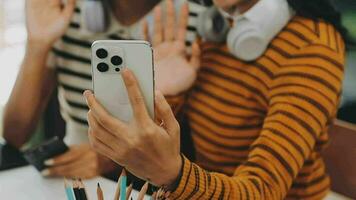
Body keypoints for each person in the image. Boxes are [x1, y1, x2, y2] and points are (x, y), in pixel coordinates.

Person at [85, 0, 347, 199]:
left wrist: (173, 174)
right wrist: (167, 92)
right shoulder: (222, 28)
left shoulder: (313, 50)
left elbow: (262, 190)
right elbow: (172, 142)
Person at [2, 0, 199, 179]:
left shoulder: (197, 23)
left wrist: (107, 159)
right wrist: (37, 44)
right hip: (74, 174)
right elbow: (14, 134)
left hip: (151, 180)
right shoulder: (64, 15)